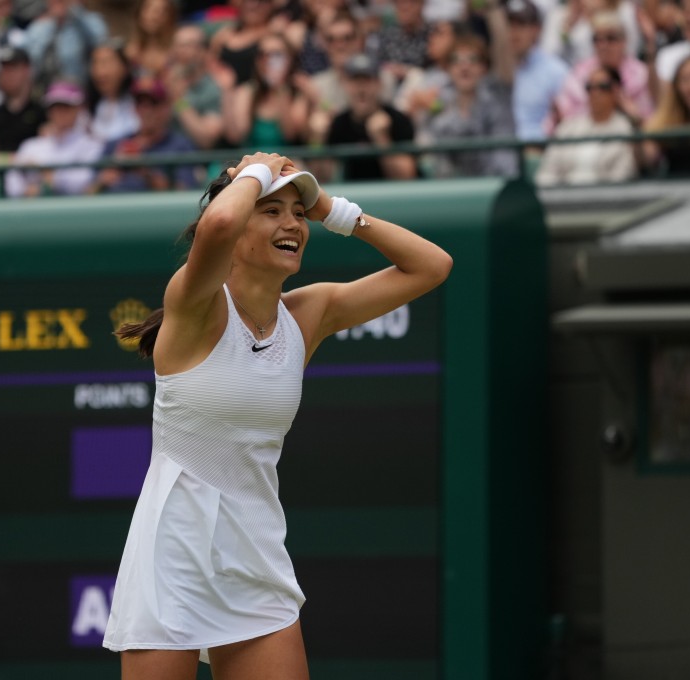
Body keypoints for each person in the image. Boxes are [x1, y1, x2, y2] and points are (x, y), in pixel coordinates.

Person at [102, 150, 453, 678]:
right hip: (171, 556)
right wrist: (253, 171)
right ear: (237, 226)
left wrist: (332, 209)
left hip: (254, 552)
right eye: (271, 210)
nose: (292, 222)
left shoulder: (309, 314)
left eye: (297, 210)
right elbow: (218, 222)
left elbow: (432, 266)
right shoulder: (195, 302)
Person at [424, 6, 520, 177]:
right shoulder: (439, 103)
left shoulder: (498, 95)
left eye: (473, 60)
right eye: (457, 61)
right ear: (448, 69)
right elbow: (438, 162)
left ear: (484, 68)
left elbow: (504, 52)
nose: (464, 66)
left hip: (497, 184)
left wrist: (493, 9)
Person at [313, 52, 418, 181]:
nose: (361, 89)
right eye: (355, 81)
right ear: (345, 85)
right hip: (351, 196)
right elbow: (321, 179)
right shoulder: (339, 123)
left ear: (379, 84)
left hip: (392, 197)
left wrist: (382, 139)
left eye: (367, 81)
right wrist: (318, 139)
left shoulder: (398, 119)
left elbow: (406, 177)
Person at [89, 76, 200, 194]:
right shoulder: (114, 144)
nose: (145, 110)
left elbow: (185, 192)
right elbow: (86, 194)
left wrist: (145, 172)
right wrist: (108, 174)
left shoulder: (180, 146)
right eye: (140, 103)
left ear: (166, 107)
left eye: (153, 103)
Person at [549, 11, 653, 133]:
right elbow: (563, 118)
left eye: (611, 38)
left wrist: (629, 110)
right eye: (597, 39)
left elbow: (651, 124)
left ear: (624, 41)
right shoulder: (579, 73)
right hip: (584, 140)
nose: (603, 45)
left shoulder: (641, 74)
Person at [536, 65, 637, 185]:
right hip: (563, 198)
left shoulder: (625, 130)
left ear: (615, 92)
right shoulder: (568, 127)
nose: (595, 93)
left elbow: (621, 176)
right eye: (589, 87)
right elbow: (547, 173)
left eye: (602, 87)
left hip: (604, 200)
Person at [4, 79, 103, 197]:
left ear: (78, 109)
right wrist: (25, 191)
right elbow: (11, 180)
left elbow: (81, 183)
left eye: (66, 107)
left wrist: (45, 173)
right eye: (55, 107)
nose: (60, 112)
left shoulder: (91, 145)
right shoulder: (30, 145)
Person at [220, 31, 312, 149]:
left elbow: (290, 134)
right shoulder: (247, 90)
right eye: (262, 54)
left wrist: (280, 89)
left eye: (276, 54)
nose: (268, 60)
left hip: (286, 163)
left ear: (290, 58)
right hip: (251, 161)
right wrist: (227, 92)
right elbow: (237, 136)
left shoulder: (299, 91)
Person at [507, 0, 569, 141]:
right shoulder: (495, 68)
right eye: (509, 25)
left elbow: (567, 124)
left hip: (540, 151)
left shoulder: (556, 71)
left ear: (536, 29)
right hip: (501, 152)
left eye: (521, 25)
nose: (513, 32)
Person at [0, 45, 45, 160]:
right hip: (0, 175)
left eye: (13, 68)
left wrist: (0, 160)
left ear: (27, 70)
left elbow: (45, 155)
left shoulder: (42, 112)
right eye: (4, 69)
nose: (7, 74)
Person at [24, 0, 107, 94]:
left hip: (80, 91)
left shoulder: (90, 21)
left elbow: (100, 45)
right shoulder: (37, 29)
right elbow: (29, 65)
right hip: (46, 93)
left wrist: (75, 11)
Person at [162, 23, 223, 150]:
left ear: (202, 51)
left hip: (197, 161)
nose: (181, 51)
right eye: (178, 46)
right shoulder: (162, 82)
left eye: (188, 45)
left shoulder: (213, 88)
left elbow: (207, 139)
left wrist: (179, 101)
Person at [84, 37, 139, 145]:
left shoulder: (141, 102)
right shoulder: (87, 108)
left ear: (125, 67)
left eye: (106, 63)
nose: (100, 72)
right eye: (95, 63)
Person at [124, 0, 177, 78]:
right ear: (139, 13)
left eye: (162, 11)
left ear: (170, 17)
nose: (154, 16)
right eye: (149, 9)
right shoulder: (129, 51)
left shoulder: (176, 51)